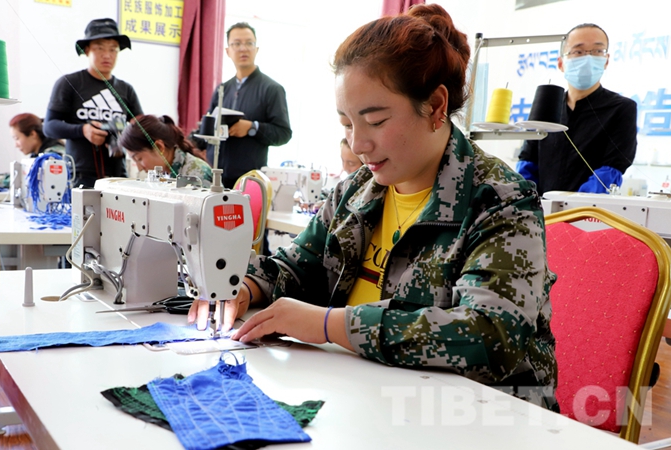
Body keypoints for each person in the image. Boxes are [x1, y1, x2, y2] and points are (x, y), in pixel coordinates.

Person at [189, 4, 558, 410]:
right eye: (347, 124)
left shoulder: (500, 201)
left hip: (479, 416)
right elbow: (297, 266)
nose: (357, 144)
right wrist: (243, 288)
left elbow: (489, 336)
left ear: (436, 106)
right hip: (367, 401)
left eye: (376, 121)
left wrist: (329, 324)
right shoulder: (356, 191)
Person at [516, 23, 637, 195]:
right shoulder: (546, 107)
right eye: (578, 52)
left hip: (588, 208)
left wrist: (575, 205)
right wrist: (529, 201)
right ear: (561, 63)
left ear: (606, 60)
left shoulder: (621, 109)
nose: (588, 58)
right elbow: (527, 162)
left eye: (597, 51)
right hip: (540, 207)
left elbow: (612, 168)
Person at [44, 18, 143, 188]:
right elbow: (49, 127)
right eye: (100, 48)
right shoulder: (70, 83)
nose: (107, 55)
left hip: (118, 176)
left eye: (113, 49)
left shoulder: (126, 89)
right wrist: (83, 130)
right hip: (79, 176)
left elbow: (140, 126)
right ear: (87, 50)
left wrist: (126, 133)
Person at [206, 22, 292, 189]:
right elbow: (209, 128)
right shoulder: (222, 89)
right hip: (215, 178)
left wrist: (252, 127)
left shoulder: (272, 89)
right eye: (236, 43)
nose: (243, 48)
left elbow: (284, 133)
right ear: (228, 51)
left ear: (256, 49)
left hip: (249, 182)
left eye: (249, 43)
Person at [118, 114, 213, 186]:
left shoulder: (196, 175)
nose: (140, 168)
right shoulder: (163, 173)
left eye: (139, 159)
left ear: (159, 147)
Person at [0, 113, 65, 188]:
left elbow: (28, 178)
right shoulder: (37, 155)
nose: (16, 145)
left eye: (17, 138)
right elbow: (24, 173)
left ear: (32, 134)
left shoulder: (53, 155)